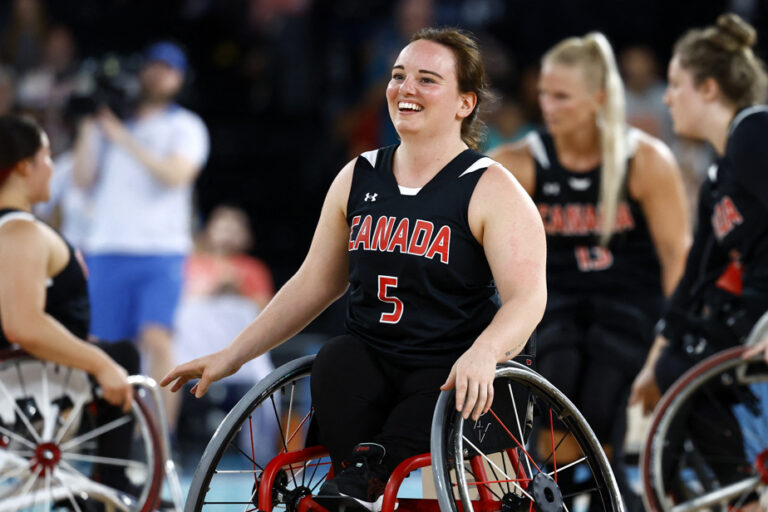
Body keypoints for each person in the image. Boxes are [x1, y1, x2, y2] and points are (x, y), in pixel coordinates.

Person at [162, 27, 547, 512]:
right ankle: (357, 482)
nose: (406, 88)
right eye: (398, 75)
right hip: (375, 359)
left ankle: (366, 475)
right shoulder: (358, 174)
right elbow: (314, 282)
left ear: (464, 103)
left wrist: (486, 353)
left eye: (427, 80)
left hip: (453, 363)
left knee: (437, 395)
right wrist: (234, 354)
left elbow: (528, 298)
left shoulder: (491, 187)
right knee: (336, 357)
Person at [489, 32, 690, 509]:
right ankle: (551, 485)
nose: (548, 105)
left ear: (599, 98)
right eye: (543, 93)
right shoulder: (520, 162)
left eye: (562, 96)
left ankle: (608, 488)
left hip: (629, 309)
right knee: (553, 368)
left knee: (605, 383)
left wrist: (670, 347)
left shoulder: (644, 161)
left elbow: (677, 261)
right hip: (555, 308)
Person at [630, 13, 768, 488]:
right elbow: (695, 279)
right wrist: (652, 363)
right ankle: (735, 490)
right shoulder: (717, 172)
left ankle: (742, 488)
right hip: (747, 311)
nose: (667, 98)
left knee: (683, 367)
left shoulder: (756, 131)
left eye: (675, 85)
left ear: (708, 88)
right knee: (674, 364)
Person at [72, 40, 210, 431]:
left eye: (168, 69)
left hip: (159, 250)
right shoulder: (112, 125)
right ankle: (106, 438)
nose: (159, 74)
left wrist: (121, 137)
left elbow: (176, 175)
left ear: (180, 78)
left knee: (157, 340)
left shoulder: (185, 125)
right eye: (154, 66)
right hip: (107, 247)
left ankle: (160, 441)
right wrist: (89, 121)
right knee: (102, 347)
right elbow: (82, 180)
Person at [0, 115, 138, 492]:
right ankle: (113, 485)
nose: (52, 167)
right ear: (25, 166)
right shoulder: (19, 232)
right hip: (26, 386)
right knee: (122, 356)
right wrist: (100, 363)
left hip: (23, 376)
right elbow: (22, 326)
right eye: (46, 157)